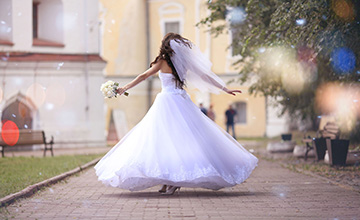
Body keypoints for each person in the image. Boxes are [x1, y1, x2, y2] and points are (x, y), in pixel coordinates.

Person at [95, 33, 258, 195]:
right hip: (180, 100)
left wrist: (124, 88)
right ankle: (169, 181)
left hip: (166, 101)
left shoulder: (162, 61)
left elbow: (144, 76)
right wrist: (224, 88)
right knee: (180, 139)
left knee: (163, 140)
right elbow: (205, 76)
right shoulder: (184, 63)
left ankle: (171, 181)